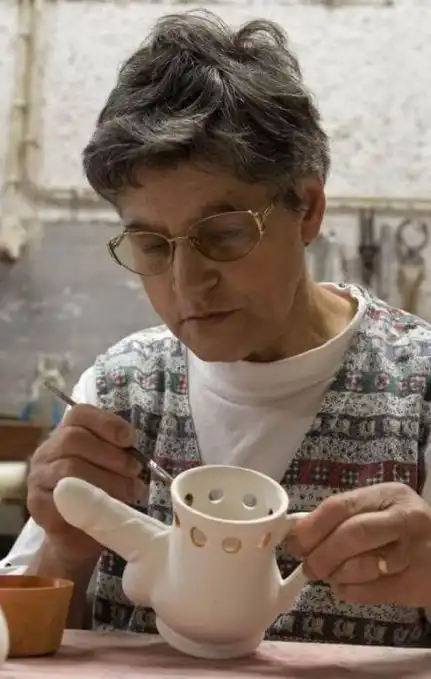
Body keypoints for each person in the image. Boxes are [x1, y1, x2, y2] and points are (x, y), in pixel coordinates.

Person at [2, 9, 431, 647]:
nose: (186, 283)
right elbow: (21, 648)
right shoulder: (118, 392)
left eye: (224, 233)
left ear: (308, 209)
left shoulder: (418, 390)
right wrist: (66, 549)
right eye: (152, 244)